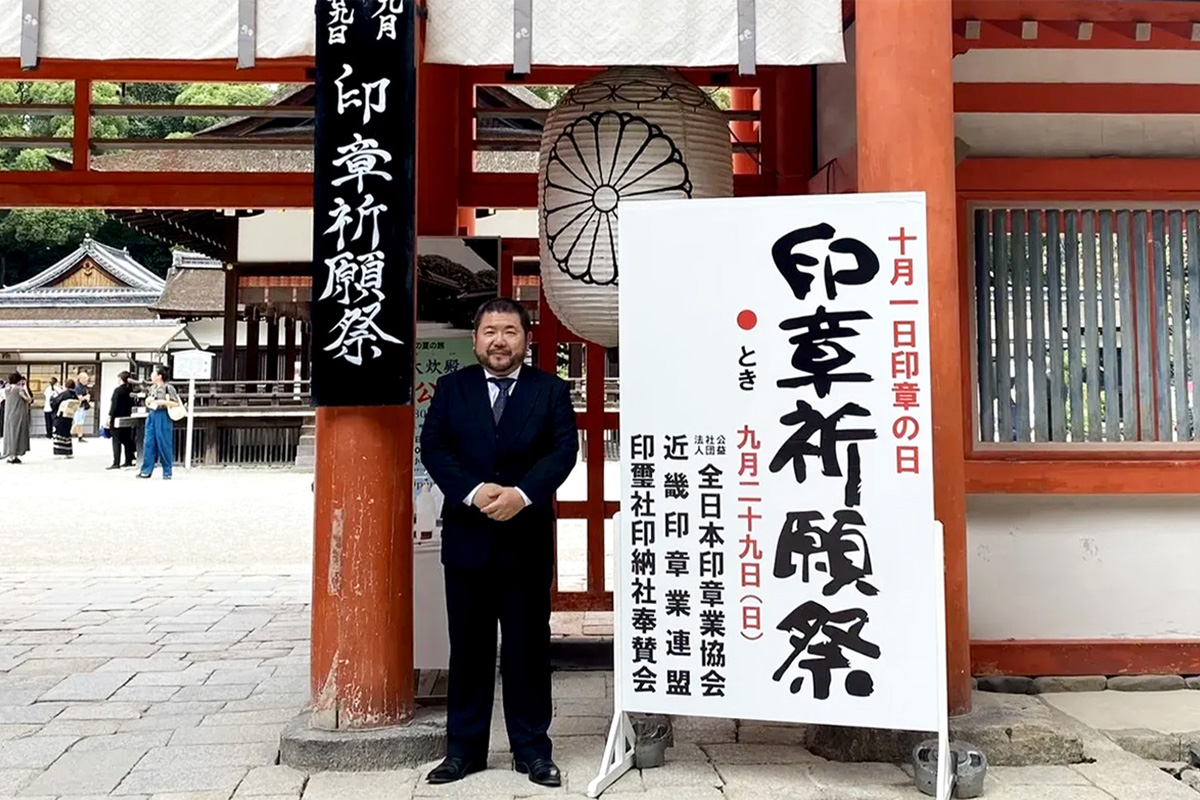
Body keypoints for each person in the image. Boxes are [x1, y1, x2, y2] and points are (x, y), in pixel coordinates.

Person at [419, 298, 579, 788]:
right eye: (490, 331)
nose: (499, 341)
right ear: (475, 340)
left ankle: (532, 749)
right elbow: (435, 448)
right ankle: (464, 750)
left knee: (528, 648)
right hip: (468, 538)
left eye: (510, 331)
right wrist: (471, 490)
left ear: (525, 340)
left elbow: (563, 451)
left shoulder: (549, 390)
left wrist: (523, 495)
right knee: (468, 647)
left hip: (525, 538)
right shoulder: (452, 389)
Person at [139, 366, 180, 480]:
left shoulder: (168, 387)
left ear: (159, 376)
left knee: (164, 442)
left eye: (153, 373)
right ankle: (146, 470)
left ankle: (167, 471)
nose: (151, 375)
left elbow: (175, 403)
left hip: (163, 414)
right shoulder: (152, 388)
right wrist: (148, 401)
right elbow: (149, 400)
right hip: (152, 414)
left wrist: (163, 402)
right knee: (148, 442)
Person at [107, 371, 137, 470]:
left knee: (116, 440)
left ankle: (116, 462)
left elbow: (114, 405)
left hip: (117, 416)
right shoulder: (131, 390)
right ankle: (128, 460)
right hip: (128, 416)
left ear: (120, 379)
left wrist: (110, 416)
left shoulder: (118, 391)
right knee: (126, 439)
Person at [2, 373, 33, 464]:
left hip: (9, 414)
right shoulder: (19, 389)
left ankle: (10, 454)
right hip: (19, 414)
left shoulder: (6, 389)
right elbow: (29, 399)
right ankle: (14, 455)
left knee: (10, 434)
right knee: (17, 434)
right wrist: (25, 388)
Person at [50, 379, 79, 458]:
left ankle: (60, 452)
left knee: (58, 433)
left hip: (61, 416)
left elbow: (54, 402)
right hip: (69, 416)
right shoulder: (74, 395)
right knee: (67, 434)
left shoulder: (64, 394)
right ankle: (68, 451)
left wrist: (53, 396)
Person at [72, 370, 91, 442]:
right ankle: (69, 433)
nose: (87, 380)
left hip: (83, 406)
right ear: (81, 379)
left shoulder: (84, 387)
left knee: (80, 422)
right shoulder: (78, 387)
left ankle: (80, 436)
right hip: (78, 406)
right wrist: (86, 397)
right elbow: (79, 397)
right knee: (77, 422)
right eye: (85, 379)